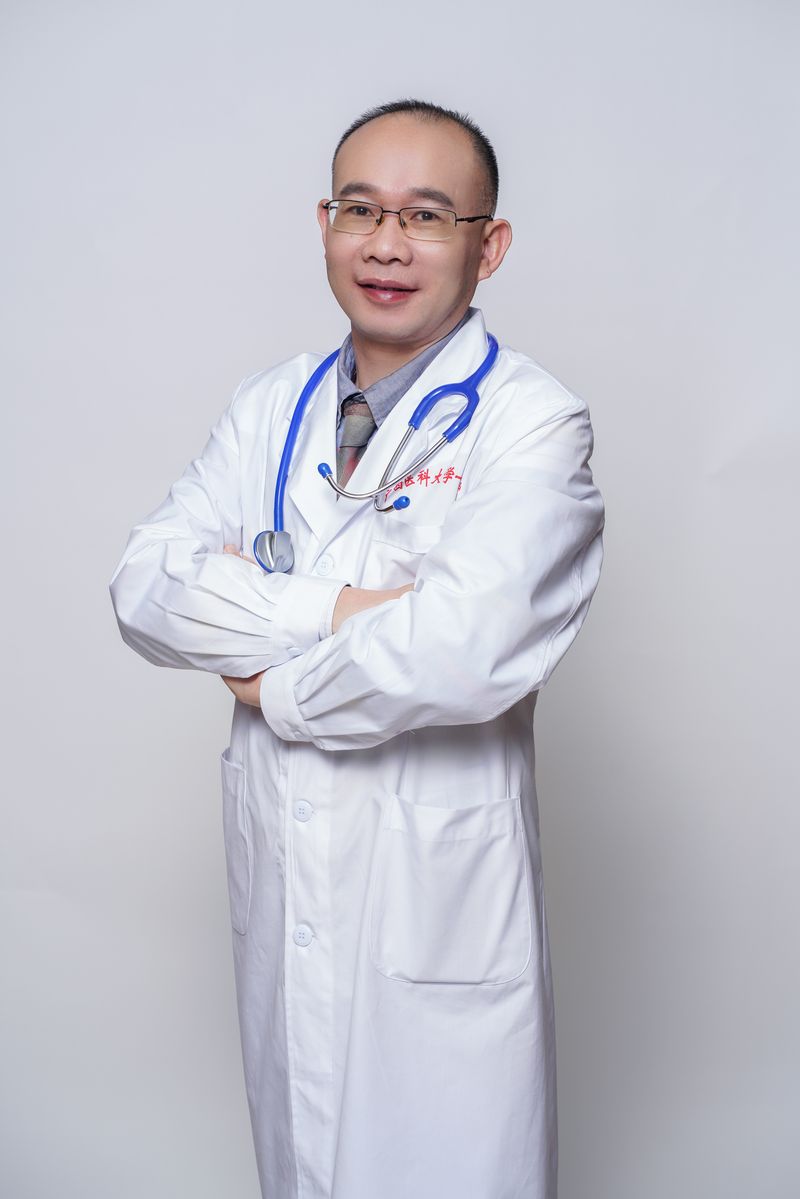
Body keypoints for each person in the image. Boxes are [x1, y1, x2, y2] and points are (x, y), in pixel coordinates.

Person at [110, 98, 604, 1199]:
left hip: (437, 924)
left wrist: (271, 685)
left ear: (488, 245)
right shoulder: (266, 409)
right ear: (323, 223)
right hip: (289, 912)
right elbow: (144, 586)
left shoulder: (531, 422)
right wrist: (349, 608)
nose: (385, 244)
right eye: (359, 209)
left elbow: (462, 649)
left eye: (425, 215)